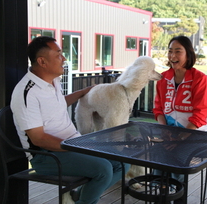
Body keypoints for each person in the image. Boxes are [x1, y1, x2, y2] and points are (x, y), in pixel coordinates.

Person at [10, 36, 130, 204]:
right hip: (46, 155)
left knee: (123, 162)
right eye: (58, 54)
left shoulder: (53, 82)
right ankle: (85, 199)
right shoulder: (27, 92)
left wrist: (84, 91)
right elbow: (39, 139)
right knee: (103, 169)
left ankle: (82, 196)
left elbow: (57, 104)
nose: (64, 58)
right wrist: (76, 146)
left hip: (72, 143)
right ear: (42, 61)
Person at [152, 35, 207, 203]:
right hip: (171, 132)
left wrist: (180, 139)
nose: (172, 56)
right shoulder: (163, 79)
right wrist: (165, 132)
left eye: (178, 51)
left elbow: (200, 114)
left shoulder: (200, 79)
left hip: (196, 134)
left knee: (177, 160)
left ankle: (178, 198)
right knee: (157, 156)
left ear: (188, 54)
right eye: (170, 51)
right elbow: (158, 109)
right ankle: (162, 197)